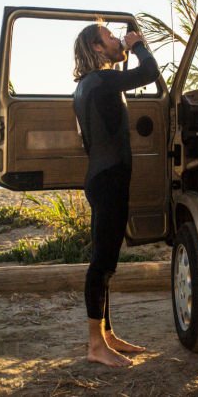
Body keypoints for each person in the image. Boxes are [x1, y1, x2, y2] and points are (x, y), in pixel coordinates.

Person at [72, 21, 159, 368]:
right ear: (96, 48)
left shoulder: (88, 84)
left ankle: (106, 335)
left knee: (105, 262)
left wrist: (123, 52)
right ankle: (95, 344)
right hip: (108, 181)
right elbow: (149, 72)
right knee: (101, 264)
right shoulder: (103, 82)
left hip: (103, 178)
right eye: (109, 37)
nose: (116, 40)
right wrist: (137, 45)